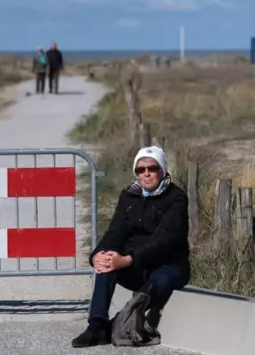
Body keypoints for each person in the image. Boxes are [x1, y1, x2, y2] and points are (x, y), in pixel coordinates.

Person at [71, 146, 191, 348]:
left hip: (169, 265)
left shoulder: (176, 198)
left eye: (152, 168)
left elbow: (164, 240)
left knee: (159, 279)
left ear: (161, 170)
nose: (146, 173)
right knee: (107, 262)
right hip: (136, 265)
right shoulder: (129, 196)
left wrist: (128, 259)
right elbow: (115, 232)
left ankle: (123, 320)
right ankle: (97, 327)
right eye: (140, 169)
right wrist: (97, 256)